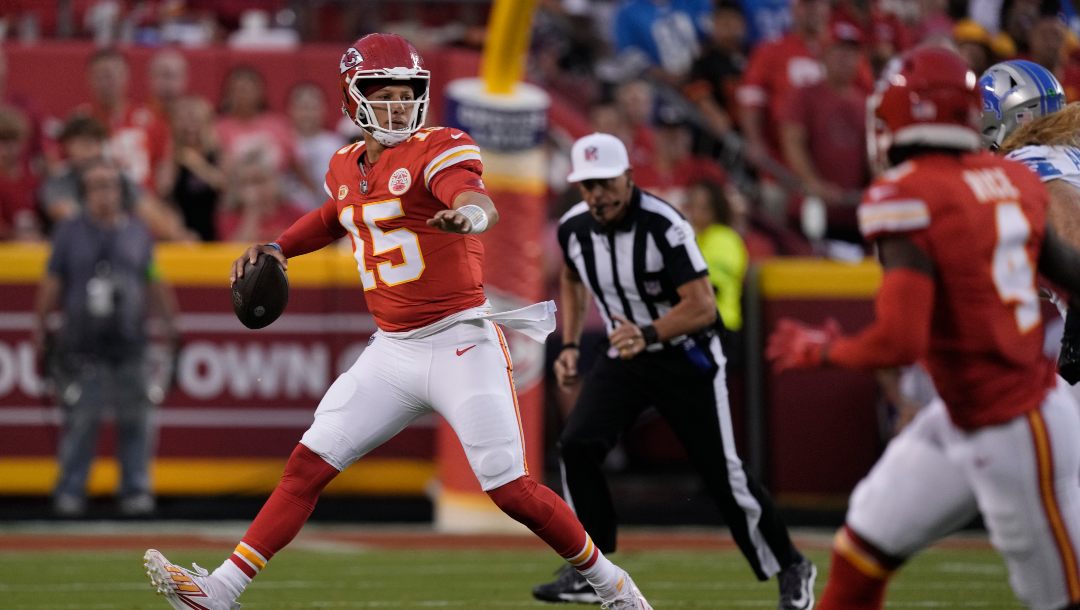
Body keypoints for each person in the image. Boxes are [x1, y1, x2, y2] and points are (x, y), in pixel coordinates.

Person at [142, 33, 653, 610]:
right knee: (307, 464)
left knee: (511, 490)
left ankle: (615, 588)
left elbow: (472, 194)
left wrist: (471, 215)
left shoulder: (440, 146)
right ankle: (221, 590)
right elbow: (337, 215)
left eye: (405, 93)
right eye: (380, 94)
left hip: (461, 340)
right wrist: (281, 246)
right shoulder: (344, 164)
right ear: (350, 99)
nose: (395, 105)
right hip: (393, 350)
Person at [766, 46, 1080, 610]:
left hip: (1018, 423)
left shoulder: (912, 192)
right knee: (861, 549)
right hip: (962, 413)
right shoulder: (1010, 178)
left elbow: (900, 340)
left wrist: (824, 350)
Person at [532, 131, 815, 609]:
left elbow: (704, 307)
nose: (597, 195)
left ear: (628, 177)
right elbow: (572, 277)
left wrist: (648, 332)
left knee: (723, 474)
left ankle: (791, 564)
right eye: (587, 186)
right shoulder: (575, 228)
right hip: (628, 352)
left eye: (605, 183)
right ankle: (591, 568)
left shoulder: (664, 224)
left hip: (687, 356)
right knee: (578, 445)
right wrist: (573, 343)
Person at [33, 157, 178, 517]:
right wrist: (40, 325)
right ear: (84, 193)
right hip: (82, 344)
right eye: (97, 186)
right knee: (81, 420)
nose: (105, 193)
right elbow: (53, 281)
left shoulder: (137, 232)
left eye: (111, 185)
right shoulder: (68, 232)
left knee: (136, 419)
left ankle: (135, 489)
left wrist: (171, 323)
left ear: (122, 191)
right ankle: (71, 490)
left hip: (130, 341)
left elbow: (153, 276)